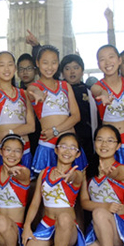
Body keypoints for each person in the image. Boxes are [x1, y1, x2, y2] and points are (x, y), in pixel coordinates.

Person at [22, 133, 89, 246]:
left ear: (78, 154)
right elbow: (35, 203)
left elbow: (75, 177)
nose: (67, 151)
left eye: (73, 148)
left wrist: (70, 176)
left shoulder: (77, 174)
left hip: (68, 226)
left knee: (64, 217)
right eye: (63, 146)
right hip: (47, 225)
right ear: (56, 150)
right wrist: (27, 226)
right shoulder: (44, 173)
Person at [28, 45, 85, 174]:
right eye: (45, 63)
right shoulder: (34, 87)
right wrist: (38, 94)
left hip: (70, 145)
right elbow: (33, 90)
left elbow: (76, 116)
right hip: (48, 146)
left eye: (53, 62)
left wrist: (55, 131)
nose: (49, 67)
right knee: (48, 183)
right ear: (37, 63)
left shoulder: (65, 85)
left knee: (74, 182)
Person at [91, 45, 124, 178]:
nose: (107, 62)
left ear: (119, 60)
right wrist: (104, 94)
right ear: (98, 64)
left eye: (111, 57)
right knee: (110, 179)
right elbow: (97, 91)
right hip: (109, 144)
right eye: (102, 59)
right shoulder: (97, 86)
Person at [0, 51, 35, 170]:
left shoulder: (24, 94)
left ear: (15, 68)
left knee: (23, 181)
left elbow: (31, 127)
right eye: (2, 65)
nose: (6, 69)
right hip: (2, 150)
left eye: (10, 64)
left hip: (24, 149)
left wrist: (7, 133)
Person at [60, 54, 98, 163]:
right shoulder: (59, 91)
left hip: (87, 139)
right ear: (62, 73)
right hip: (65, 137)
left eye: (76, 68)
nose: (72, 72)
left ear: (82, 71)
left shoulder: (89, 91)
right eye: (67, 68)